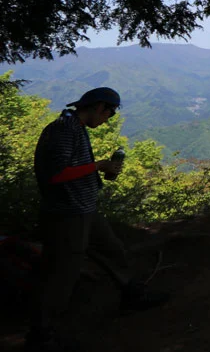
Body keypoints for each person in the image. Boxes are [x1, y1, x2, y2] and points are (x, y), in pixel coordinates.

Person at [26, 87, 168, 352]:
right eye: (110, 113)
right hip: (67, 215)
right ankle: (42, 336)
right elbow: (56, 175)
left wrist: (97, 171)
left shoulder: (75, 127)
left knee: (112, 249)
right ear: (99, 107)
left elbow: (70, 170)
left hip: (84, 210)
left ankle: (132, 294)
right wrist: (98, 166)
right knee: (61, 274)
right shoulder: (63, 130)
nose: (108, 119)